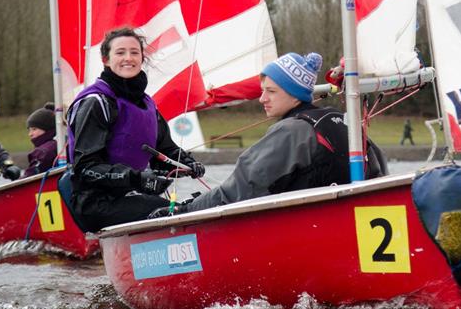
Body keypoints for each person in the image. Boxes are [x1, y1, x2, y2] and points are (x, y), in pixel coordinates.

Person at [153, 51, 388, 217]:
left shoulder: (293, 130)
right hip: (349, 221)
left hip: (305, 230)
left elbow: (241, 188)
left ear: (295, 94)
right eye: (263, 90)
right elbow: (379, 173)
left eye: (271, 91)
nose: (262, 98)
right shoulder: (344, 122)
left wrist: (185, 210)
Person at [66, 27, 205, 232]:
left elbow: (165, 151)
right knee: (177, 212)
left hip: (133, 197)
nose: (128, 58)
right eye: (120, 53)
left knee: (195, 206)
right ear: (106, 59)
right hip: (96, 204)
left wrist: (187, 162)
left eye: (134, 52)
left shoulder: (148, 104)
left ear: (142, 58)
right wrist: (136, 179)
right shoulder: (96, 103)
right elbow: (85, 168)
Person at [23, 102, 58, 178]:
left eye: (34, 129)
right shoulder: (58, 145)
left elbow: (29, 177)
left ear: (47, 129)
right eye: (29, 130)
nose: (30, 134)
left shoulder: (42, 152)